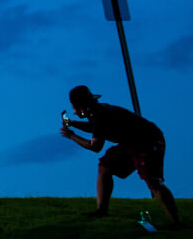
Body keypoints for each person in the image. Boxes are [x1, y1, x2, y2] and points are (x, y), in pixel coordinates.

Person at [60, 85, 182, 227]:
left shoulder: (99, 115)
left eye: (74, 107)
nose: (73, 112)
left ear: (79, 105)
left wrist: (72, 136)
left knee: (153, 181)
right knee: (105, 166)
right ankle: (101, 210)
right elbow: (95, 128)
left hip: (148, 142)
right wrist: (73, 124)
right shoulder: (97, 112)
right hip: (130, 143)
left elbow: (95, 146)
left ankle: (176, 223)